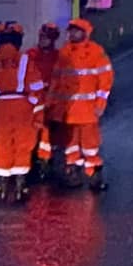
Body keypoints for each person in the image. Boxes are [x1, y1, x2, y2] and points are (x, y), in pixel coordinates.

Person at [0, 21, 42, 204]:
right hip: (22, 104)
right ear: (17, 40)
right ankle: (21, 188)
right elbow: (36, 86)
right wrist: (31, 103)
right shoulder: (25, 59)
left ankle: (1, 188)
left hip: (1, 106)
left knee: (2, 144)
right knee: (22, 144)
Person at [50, 16, 114, 191]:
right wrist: (53, 106)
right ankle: (73, 174)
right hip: (69, 111)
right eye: (71, 30)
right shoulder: (64, 52)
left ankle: (94, 176)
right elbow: (56, 81)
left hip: (87, 111)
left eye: (76, 30)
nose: (72, 33)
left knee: (90, 146)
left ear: (85, 33)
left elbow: (105, 80)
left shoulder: (95, 52)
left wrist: (100, 104)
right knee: (71, 146)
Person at [28, 21, 63, 180]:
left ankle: (45, 163)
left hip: (51, 100)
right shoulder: (31, 55)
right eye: (42, 37)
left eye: (46, 38)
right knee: (33, 133)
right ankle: (37, 163)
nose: (43, 40)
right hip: (34, 100)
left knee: (47, 135)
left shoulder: (58, 57)